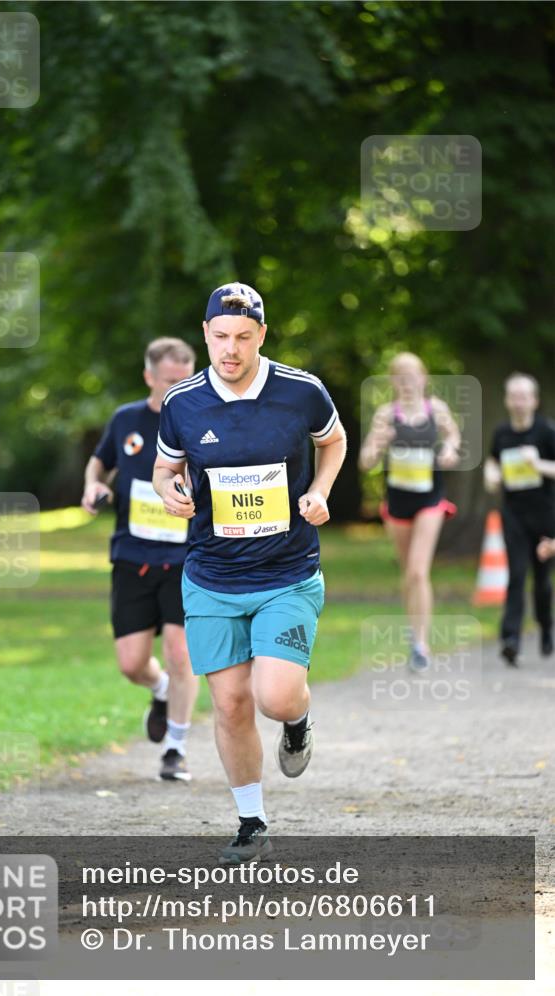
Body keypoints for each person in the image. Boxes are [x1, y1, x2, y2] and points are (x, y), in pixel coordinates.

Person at [152, 282, 346, 862]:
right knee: (232, 703)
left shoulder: (301, 392)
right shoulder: (183, 403)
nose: (229, 350)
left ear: (261, 334)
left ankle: (298, 720)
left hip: (287, 571)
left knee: (276, 697)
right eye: (219, 338)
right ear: (205, 335)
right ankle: (251, 819)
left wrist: (319, 489)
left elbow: (332, 442)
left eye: (242, 338)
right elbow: (166, 469)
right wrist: (172, 493)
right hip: (212, 576)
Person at [81, 338, 199, 780]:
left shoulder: (203, 421)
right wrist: (93, 487)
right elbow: (98, 464)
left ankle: (176, 747)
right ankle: (161, 689)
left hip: (186, 558)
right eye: (170, 381)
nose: (178, 389)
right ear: (150, 377)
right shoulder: (126, 420)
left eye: (186, 380)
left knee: (180, 651)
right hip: (132, 555)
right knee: (131, 663)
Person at [358, 352, 460, 671]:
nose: (407, 382)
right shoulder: (387, 415)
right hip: (398, 502)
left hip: (430, 498)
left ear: (424, 379)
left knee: (418, 570)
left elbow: (453, 436)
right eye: (400, 376)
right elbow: (365, 462)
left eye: (412, 375)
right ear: (393, 382)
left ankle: (421, 643)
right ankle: (413, 624)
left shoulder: (436, 410)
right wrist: (377, 442)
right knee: (408, 573)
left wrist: (450, 449)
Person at [483, 373, 555, 666]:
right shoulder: (502, 433)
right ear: (507, 400)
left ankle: (545, 626)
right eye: (514, 396)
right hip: (513, 514)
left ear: (534, 400)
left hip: (545, 515)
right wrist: (491, 475)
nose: (519, 402)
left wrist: (537, 464)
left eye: (524, 396)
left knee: (541, 581)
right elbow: (492, 462)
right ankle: (510, 638)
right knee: (516, 574)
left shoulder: (546, 432)